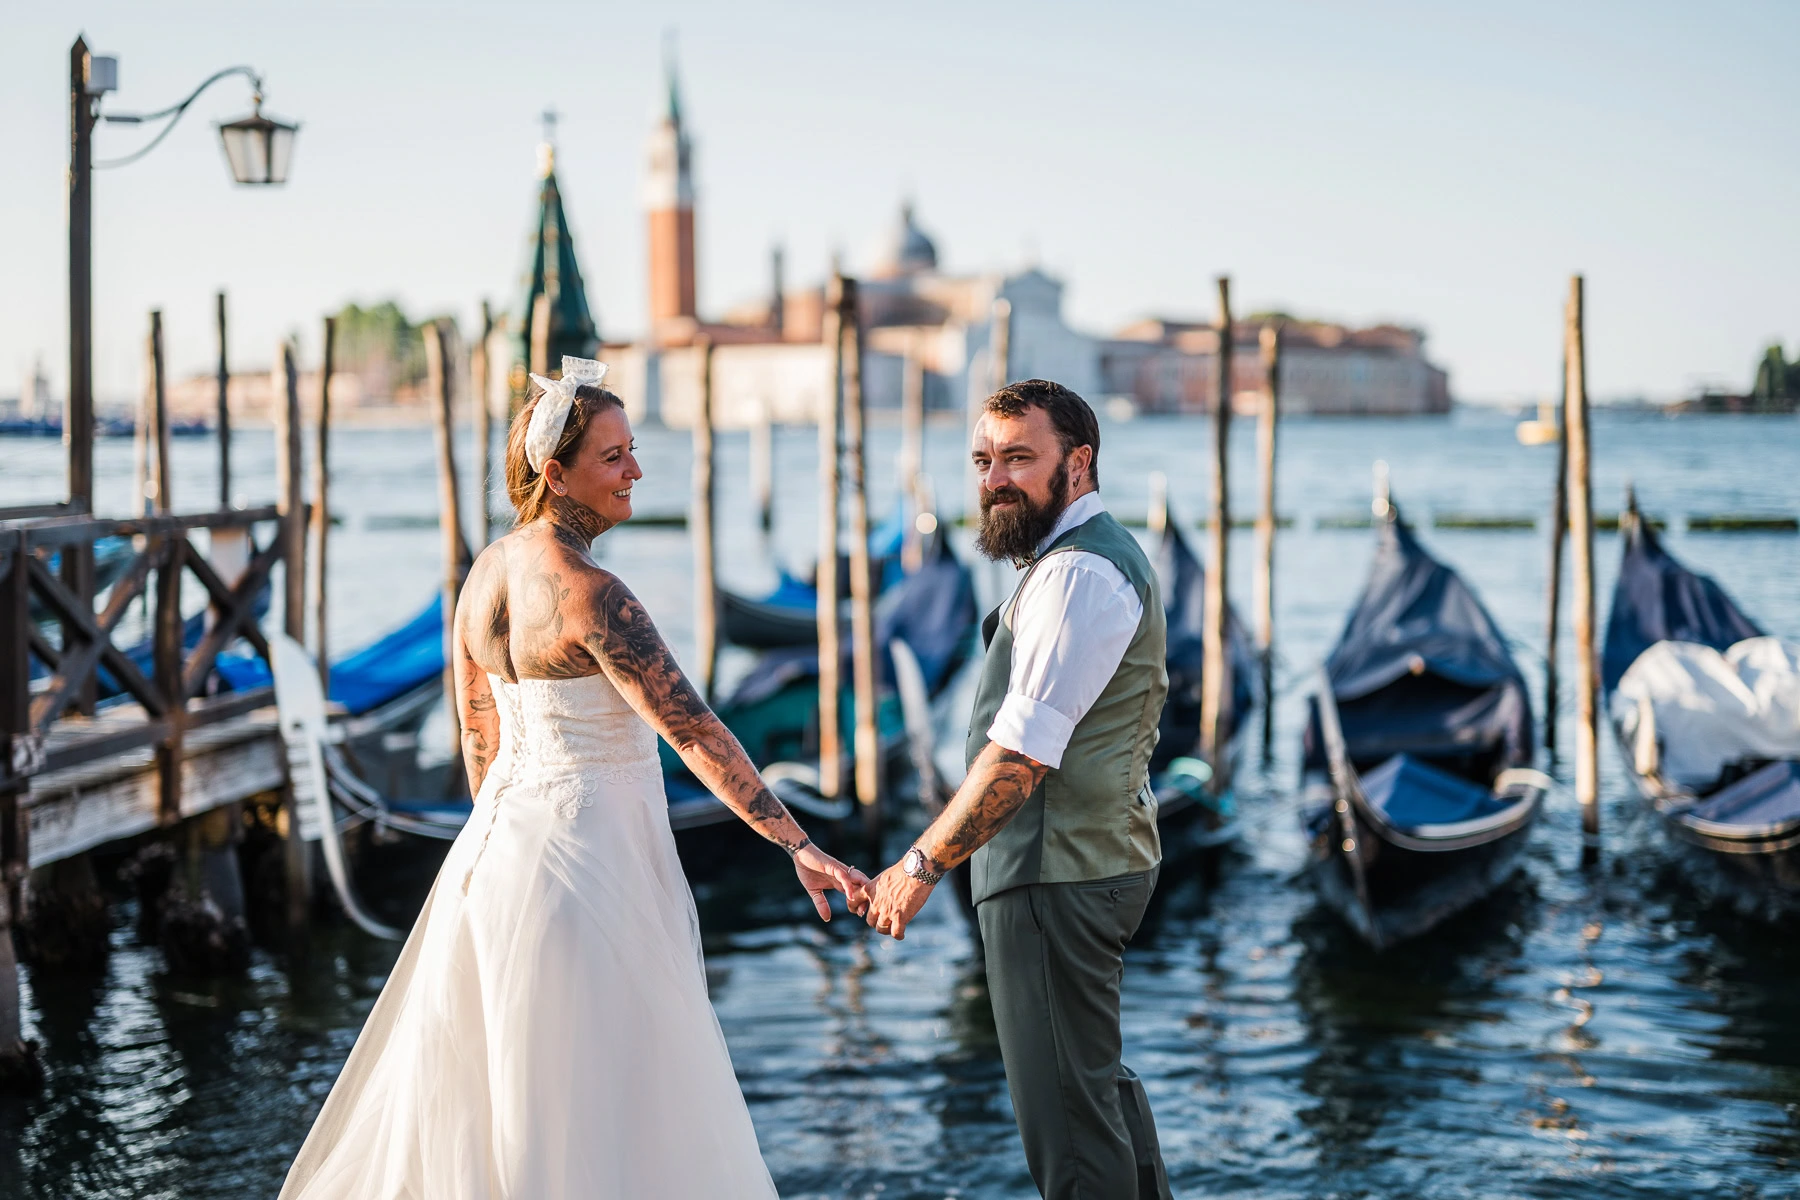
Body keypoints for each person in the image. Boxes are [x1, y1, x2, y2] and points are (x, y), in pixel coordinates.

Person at [279, 357, 868, 1199]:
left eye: (632, 451)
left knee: (514, 1103)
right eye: (615, 457)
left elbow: (479, 740)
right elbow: (695, 731)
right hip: (594, 869)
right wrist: (798, 844)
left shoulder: (482, 577)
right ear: (555, 475)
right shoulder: (596, 596)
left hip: (494, 864)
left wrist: (498, 844)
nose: (636, 470)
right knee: (615, 1102)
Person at [856, 379, 1175, 1199]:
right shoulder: (1078, 563)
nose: (996, 478)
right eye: (984, 460)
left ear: (1079, 462)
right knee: (1092, 1094)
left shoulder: (1077, 576)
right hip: (1082, 864)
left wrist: (919, 867)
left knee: (1068, 1127)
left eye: (1019, 459)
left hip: (1054, 877)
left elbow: (1020, 761)